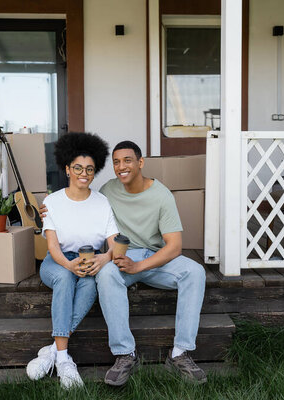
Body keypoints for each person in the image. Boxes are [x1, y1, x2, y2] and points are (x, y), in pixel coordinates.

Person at [40, 140, 207, 386]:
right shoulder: (108, 191)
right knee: (106, 276)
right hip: (119, 257)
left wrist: (139, 266)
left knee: (195, 271)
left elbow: (174, 247)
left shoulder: (161, 195)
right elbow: (80, 198)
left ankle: (180, 353)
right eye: (116, 162)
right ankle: (124, 354)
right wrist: (48, 209)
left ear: (140, 163)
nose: (121, 167)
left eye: (127, 161)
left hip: (153, 258)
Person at [26, 132, 118, 389]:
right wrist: (68, 265)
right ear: (67, 169)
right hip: (57, 262)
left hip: (89, 260)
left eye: (89, 168)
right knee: (66, 278)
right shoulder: (52, 202)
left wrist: (104, 258)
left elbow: (113, 245)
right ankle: (65, 359)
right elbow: (53, 246)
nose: (84, 173)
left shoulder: (102, 203)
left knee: (90, 285)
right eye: (78, 167)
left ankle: (53, 352)